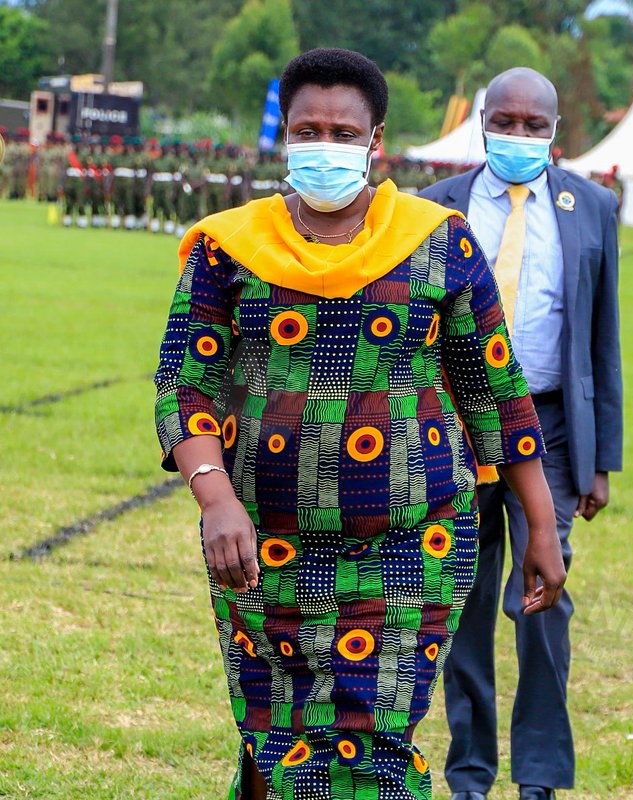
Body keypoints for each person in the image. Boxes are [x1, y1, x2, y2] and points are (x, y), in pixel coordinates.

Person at [152, 48, 566, 800]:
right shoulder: (228, 247)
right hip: (260, 547)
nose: (326, 146)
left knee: (370, 744)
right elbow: (185, 383)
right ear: (284, 136)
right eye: (308, 130)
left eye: (344, 133)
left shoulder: (437, 241)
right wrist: (214, 498)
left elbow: (495, 393)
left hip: (413, 545)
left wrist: (541, 525)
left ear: (376, 141)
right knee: (279, 730)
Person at [420, 66, 622, 800]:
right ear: (481, 121)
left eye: (534, 126)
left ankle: (538, 778)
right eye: (506, 122)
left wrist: (604, 459)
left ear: (555, 131)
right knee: (463, 602)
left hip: (554, 428)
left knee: (543, 594)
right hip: (455, 427)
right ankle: (470, 773)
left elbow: (604, 335)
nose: (519, 135)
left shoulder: (592, 206)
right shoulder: (434, 208)